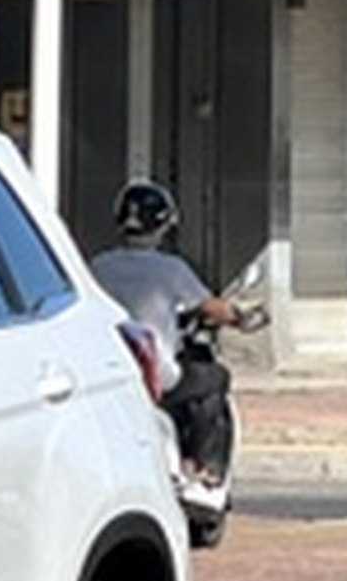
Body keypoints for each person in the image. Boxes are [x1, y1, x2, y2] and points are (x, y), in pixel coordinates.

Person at [83, 176, 244, 486]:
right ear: (163, 224)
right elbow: (211, 308)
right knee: (215, 378)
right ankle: (203, 464)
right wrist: (239, 317)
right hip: (159, 377)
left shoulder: (99, 266)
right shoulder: (170, 269)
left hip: (110, 372)